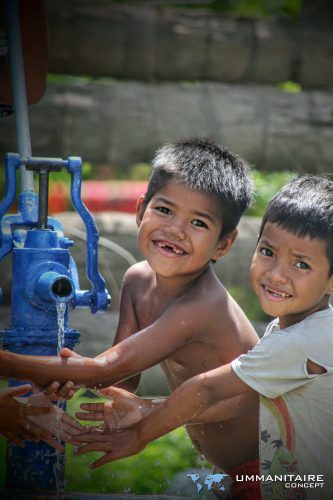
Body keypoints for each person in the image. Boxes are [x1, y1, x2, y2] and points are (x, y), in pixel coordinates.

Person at [0, 139, 260, 495]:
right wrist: (71, 376)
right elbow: (121, 378)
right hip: (227, 470)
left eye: (198, 222)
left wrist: (9, 364)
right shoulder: (137, 280)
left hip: (272, 467)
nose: (175, 229)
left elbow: (105, 369)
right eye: (165, 210)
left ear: (223, 245)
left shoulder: (202, 305)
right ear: (141, 210)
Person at [73, 175, 333, 500]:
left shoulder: (302, 340)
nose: (276, 273)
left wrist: (140, 434)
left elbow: (206, 390)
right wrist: (147, 409)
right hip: (276, 479)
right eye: (267, 251)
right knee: (188, 487)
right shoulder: (291, 330)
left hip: (295, 486)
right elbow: (234, 402)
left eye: (300, 263)